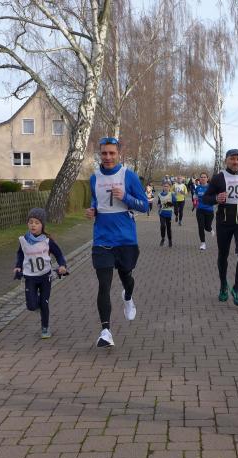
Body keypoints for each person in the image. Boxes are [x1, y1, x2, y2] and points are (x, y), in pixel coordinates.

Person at [85, 137, 149, 348]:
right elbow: (96, 201)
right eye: (104, 153)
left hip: (126, 239)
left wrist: (126, 197)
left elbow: (145, 206)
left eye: (112, 153)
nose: (108, 157)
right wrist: (92, 210)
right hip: (102, 239)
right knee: (104, 284)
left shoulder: (128, 176)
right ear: (100, 154)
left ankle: (128, 297)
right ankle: (106, 331)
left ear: (119, 154)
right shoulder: (94, 178)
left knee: (126, 277)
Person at [201, 148, 238, 305]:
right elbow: (206, 198)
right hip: (224, 223)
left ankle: (237, 288)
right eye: (232, 159)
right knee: (223, 255)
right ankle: (223, 285)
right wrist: (216, 198)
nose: (235, 162)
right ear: (226, 161)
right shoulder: (219, 178)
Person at [14, 207, 68, 339]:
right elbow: (20, 254)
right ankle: (36, 303)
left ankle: (45, 327)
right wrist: (18, 267)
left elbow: (58, 254)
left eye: (37, 223)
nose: (33, 225)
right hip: (30, 277)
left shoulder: (47, 241)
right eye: (31, 222)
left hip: (45, 277)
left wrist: (62, 265)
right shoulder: (23, 240)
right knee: (31, 306)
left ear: (42, 225)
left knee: (44, 303)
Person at [194, 172, 215, 251]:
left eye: (204, 177)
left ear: (207, 178)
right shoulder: (197, 188)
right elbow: (195, 196)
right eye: (201, 177)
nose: (203, 178)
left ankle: (210, 229)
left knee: (207, 227)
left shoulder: (211, 188)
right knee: (201, 226)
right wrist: (195, 201)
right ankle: (203, 243)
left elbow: (215, 197)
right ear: (199, 179)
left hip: (209, 210)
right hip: (200, 210)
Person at [156, 180, 175, 247]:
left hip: (169, 213)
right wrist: (159, 206)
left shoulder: (172, 194)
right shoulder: (159, 195)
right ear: (163, 187)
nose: (166, 187)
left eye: (167, 186)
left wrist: (167, 204)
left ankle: (170, 240)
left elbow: (174, 203)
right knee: (163, 226)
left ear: (169, 187)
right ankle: (163, 238)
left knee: (168, 227)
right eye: (164, 186)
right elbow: (158, 203)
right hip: (162, 213)